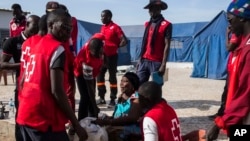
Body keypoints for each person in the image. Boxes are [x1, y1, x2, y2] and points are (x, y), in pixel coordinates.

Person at [17, 9, 88, 141]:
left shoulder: (36, 45)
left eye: (70, 28)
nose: (68, 31)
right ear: (50, 26)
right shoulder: (57, 49)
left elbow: (23, 80)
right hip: (44, 117)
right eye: (64, 27)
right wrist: (76, 124)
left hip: (26, 112)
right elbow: (57, 91)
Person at [206, 0, 250, 140]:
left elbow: (246, 93)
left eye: (230, 20)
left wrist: (220, 123)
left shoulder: (248, 50)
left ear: (242, 17)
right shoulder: (242, 46)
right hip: (239, 114)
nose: (229, 25)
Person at [0, 15, 40, 141]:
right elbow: (2, 64)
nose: (38, 29)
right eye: (35, 26)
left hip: (38, 86)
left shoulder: (39, 41)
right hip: (22, 86)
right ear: (27, 25)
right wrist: (24, 64)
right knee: (21, 116)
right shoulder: (12, 42)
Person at [94, 72, 142, 141]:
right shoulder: (121, 97)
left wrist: (108, 122)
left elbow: (132, 118)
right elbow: (116, 116)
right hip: (121, 126)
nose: (121, 84)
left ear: (133, 86)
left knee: (111, 132)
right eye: (121, 81)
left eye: (125, 81)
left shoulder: (136, 98)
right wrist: (106, 118)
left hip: (133, 128)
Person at [208, 26, 242, 120]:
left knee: (228, 91)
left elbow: (229, 47)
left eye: (230, 20)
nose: (230, 25)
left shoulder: (236, 33)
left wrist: (227, 34)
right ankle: (223, 113)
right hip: (232, 66)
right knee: (227, 91)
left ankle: (224, 114)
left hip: (234, 68)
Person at [96, 9, 128, 108]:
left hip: (112, 57)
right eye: (101, 16)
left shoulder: (115, 27)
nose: (101, 18)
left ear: (109, 17)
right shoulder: (102, 27)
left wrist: (116, 46)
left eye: (103, 16)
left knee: (112, 77)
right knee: (99, 77)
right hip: (102, 57)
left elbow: (124, 40)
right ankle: (101, 98)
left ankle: (113, 99)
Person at [136, 0, 172, 85]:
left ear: (159, 9)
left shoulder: (167, 24)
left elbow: (167, 45)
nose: (150, 11)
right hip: (144, 60)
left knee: (157, 86)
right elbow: (145, 43)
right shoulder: (147, 24)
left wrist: (163, 64)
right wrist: (139, 60)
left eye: (153, 8)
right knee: (138, 85)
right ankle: (141, 99)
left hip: (157, 62)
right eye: (150, 9)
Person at [74, 33, 105, 121]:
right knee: (86, 96)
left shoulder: (99, 43)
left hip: (93, 71)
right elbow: (89, 85)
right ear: (90, 51)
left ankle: (92, 116)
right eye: (95, 55)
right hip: (80, 73)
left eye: (99, 53)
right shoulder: (86, 60)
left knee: (92, 94)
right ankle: (81, 119)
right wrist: (95, 106)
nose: (98, 56)